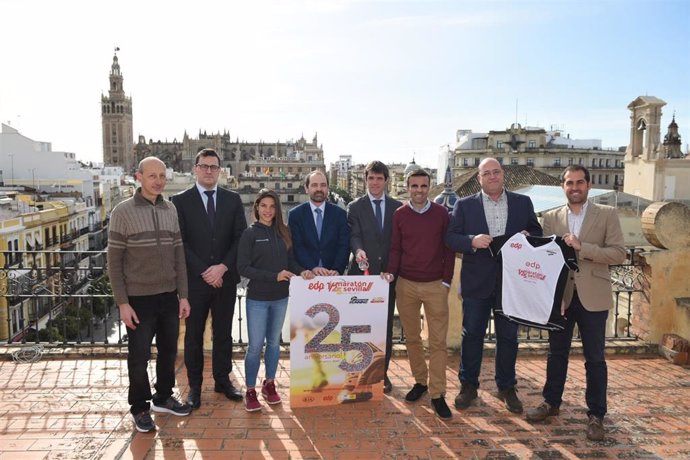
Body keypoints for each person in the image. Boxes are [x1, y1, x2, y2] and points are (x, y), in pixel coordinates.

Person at [526, 165, 625, 441]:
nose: (575, 187)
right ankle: (551, 403)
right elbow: (547, 258)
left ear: (589, 185)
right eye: (570, 183)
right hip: (562, 300)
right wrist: (527, 242)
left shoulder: (607, 214)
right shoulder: (551, 217)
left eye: (580, 182)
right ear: (563, 187)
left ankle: (596, 415)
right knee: (556, 354)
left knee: (595, 359)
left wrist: (584, 248)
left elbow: (618, 253)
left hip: (594, 297)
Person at [445, 157, 542, 414]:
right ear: (479, 178)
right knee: (472, 336)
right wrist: (471, 240)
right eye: (486, 173)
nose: (492, 176)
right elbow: (451, 238)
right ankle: (468, 386)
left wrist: (528, 237)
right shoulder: (465, 206)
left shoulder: (523, 203)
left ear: (503, 174)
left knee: (509, 337)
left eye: (496, 172)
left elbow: (537, 231)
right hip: (477, 282)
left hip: (512, 284)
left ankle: (507, 387)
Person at [107, 156, 192, 433]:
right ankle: (140, 408)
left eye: (162, 176)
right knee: (139, 355)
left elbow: (179, 253)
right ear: (138, 176)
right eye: (152, 175)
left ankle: (163, 397)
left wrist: (184, 295)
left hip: (169, 295)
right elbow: (114, 261)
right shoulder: (122, 211)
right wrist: (122, 303)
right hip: (138, 299)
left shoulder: (170, 210)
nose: (158, 181)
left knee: (168, 351)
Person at [171, 149, 247, 409]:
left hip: (224, 280)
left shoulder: (233, 200)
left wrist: (223, 267)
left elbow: (240, 238)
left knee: (223, 333)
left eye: (214, 167)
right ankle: (194, 388)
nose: (209, 171)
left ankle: (222, 380)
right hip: (195, 281)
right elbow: (180, 241)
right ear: (195, 168)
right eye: (204, 166)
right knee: (193, 335)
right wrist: (206, 270)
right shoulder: (179, 201)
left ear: (220, 170)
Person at [383, 168, 455, 419]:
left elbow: (448, 249)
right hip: (406, 285)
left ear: (430, 187)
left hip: (435, 285)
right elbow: (395, 248)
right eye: (414, 186)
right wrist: (391, 273)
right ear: (407, 187)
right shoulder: (400, 214)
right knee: (412, 338)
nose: (419, 191)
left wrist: (446, 282)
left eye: (424, 186)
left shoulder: (441, 214)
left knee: (437, 342)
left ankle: (438, 394)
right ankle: (420, 382)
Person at [237, 189, 315, 412]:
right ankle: (250, 390)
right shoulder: (250, 234)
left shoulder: (284, 232)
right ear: (257, 208)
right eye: (263, 206)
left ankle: (269, 384)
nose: (268, 211)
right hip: (257, 299)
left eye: (272, 207)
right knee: (254, 347)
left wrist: (304, 272)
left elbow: (291, 263)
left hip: (280, 298)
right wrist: (274, 276)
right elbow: (243, 267)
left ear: (277, 210)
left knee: (273, 343)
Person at [346, 160, 402, 393]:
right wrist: (358, 251)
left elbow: (398, 243)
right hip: (362, 277)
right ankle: (358, 370)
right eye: (371, 178)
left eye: (380, 178)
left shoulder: (397, 207)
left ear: (386, 181)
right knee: (359, 327)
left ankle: (382, 374)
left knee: (385, 327)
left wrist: (391, 268)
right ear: (365, 180)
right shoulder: (355, 207)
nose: (375, 182)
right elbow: (354, 235)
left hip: (387, 278)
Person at [288, 170, 349, 276]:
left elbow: (343, 246)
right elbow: (298, 246)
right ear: (306, 188)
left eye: (323, 185)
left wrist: (337, 269)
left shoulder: (340, 214)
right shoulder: (295, 215)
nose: (319, 189)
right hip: (307, 276)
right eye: (314, 185)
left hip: (333, 277)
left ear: (328, 188)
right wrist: (313, 267)